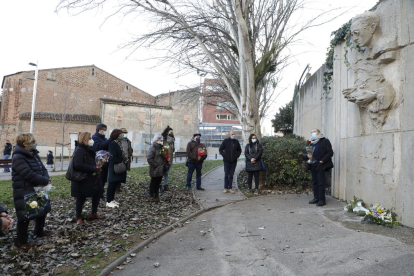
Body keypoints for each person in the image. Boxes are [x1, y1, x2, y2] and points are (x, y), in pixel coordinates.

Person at [12, 133, 52, 250]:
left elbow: (42, 168)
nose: (35, 143)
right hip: (25, 189)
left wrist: (46, 178)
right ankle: (22, 241)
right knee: (24, 216)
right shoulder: (18, 157)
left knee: (42, 209)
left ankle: (39, 231)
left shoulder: (34, 154)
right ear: (25, 144)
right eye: (33, 141)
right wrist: (44, 181)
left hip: (38, 187)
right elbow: (27, 174)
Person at [71, 132, 104, 225]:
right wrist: (93, 168)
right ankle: (78, 217)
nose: (91, 140)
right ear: (84, 139)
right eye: (89, 138)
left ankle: (94, 213)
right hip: (83, 179)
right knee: (81, 198)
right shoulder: (80, 150)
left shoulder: (88, 149)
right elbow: (78, 164)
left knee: (97, 193)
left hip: (93, 177)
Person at [306, 129, 334, 207]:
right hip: (312, 164)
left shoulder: (325, 141)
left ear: (319, 133)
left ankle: (322, 200)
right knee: (315, 182)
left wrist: (322, 161)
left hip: (321, 164)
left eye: (314, 132)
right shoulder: (309, 142)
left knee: (321, 182)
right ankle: (316, 198)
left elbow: (330, 152)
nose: (312, 133)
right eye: (311, 132)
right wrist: (307, 155)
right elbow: (306, 152)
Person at [107, 129, 128, 207]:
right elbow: (113, 156)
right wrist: (119, 162)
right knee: (112, 184)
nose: (122, 136)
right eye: (120, 134)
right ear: (116, 135)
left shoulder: (118, 143)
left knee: (115, 183)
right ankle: (109, 201)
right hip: (115, 166)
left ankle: (112, 199)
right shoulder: (112, 144)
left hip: (118, 164)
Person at [92, 123, 113, 199]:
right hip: (98, 163)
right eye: (104, 130)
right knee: (97, 179)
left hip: (105, 162)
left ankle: (100, 193)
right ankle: (94, 194)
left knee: (103, 179)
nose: (105, 132)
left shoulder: (104, 138)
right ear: (99, 130)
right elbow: (99, 146)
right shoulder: (94, 138)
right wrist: (110, 140)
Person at [147, 136, 167, 200]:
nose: (161, 141)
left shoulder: (162, 148)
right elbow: (149, 158)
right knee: (154, 181)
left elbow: (164, 155)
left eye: (162, 140)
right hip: (155, 168)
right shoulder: (153, 148)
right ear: (156, 140)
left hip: (161, 168)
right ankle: (152, 194)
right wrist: (155, 165)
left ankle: (156, 194)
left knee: (159, 182)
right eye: (160, 140)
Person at [117, 128, 133, 193]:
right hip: (119, 160)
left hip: (126, 160)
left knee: (123, 174)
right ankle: (117, 187)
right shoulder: (117, 141)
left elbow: (129, 150)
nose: (124, 134)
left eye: (125, 133)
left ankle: (119, 186)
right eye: (123, 133)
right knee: (118, 174)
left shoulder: (127, 141)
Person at [160, 126, 175, 192]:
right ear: (167, 132)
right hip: (164, 159)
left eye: (172, 132)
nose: (172, 133)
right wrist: (165, 158)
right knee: (161, 173)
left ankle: (165, 185)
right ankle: (160, 186)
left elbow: (173, 150)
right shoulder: (164, 140)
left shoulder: (172, 141)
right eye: (170, 132)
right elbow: (163, 150)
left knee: (166, 173)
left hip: (170, 159)